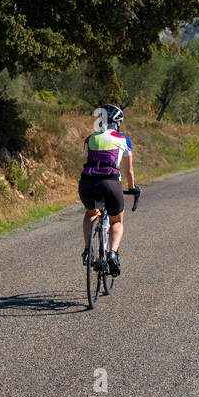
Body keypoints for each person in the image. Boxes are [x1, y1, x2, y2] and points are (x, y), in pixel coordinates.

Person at [79, 104, 135, 276]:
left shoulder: (90, 139)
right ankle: (112, 253)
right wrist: (132, 188)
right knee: (116, 220)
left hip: (87, 184)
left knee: (90, 214)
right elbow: (128, 171)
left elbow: (88, 161)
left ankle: (88, 250)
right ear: (118, 123)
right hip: (111, 184)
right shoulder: (123, 139)